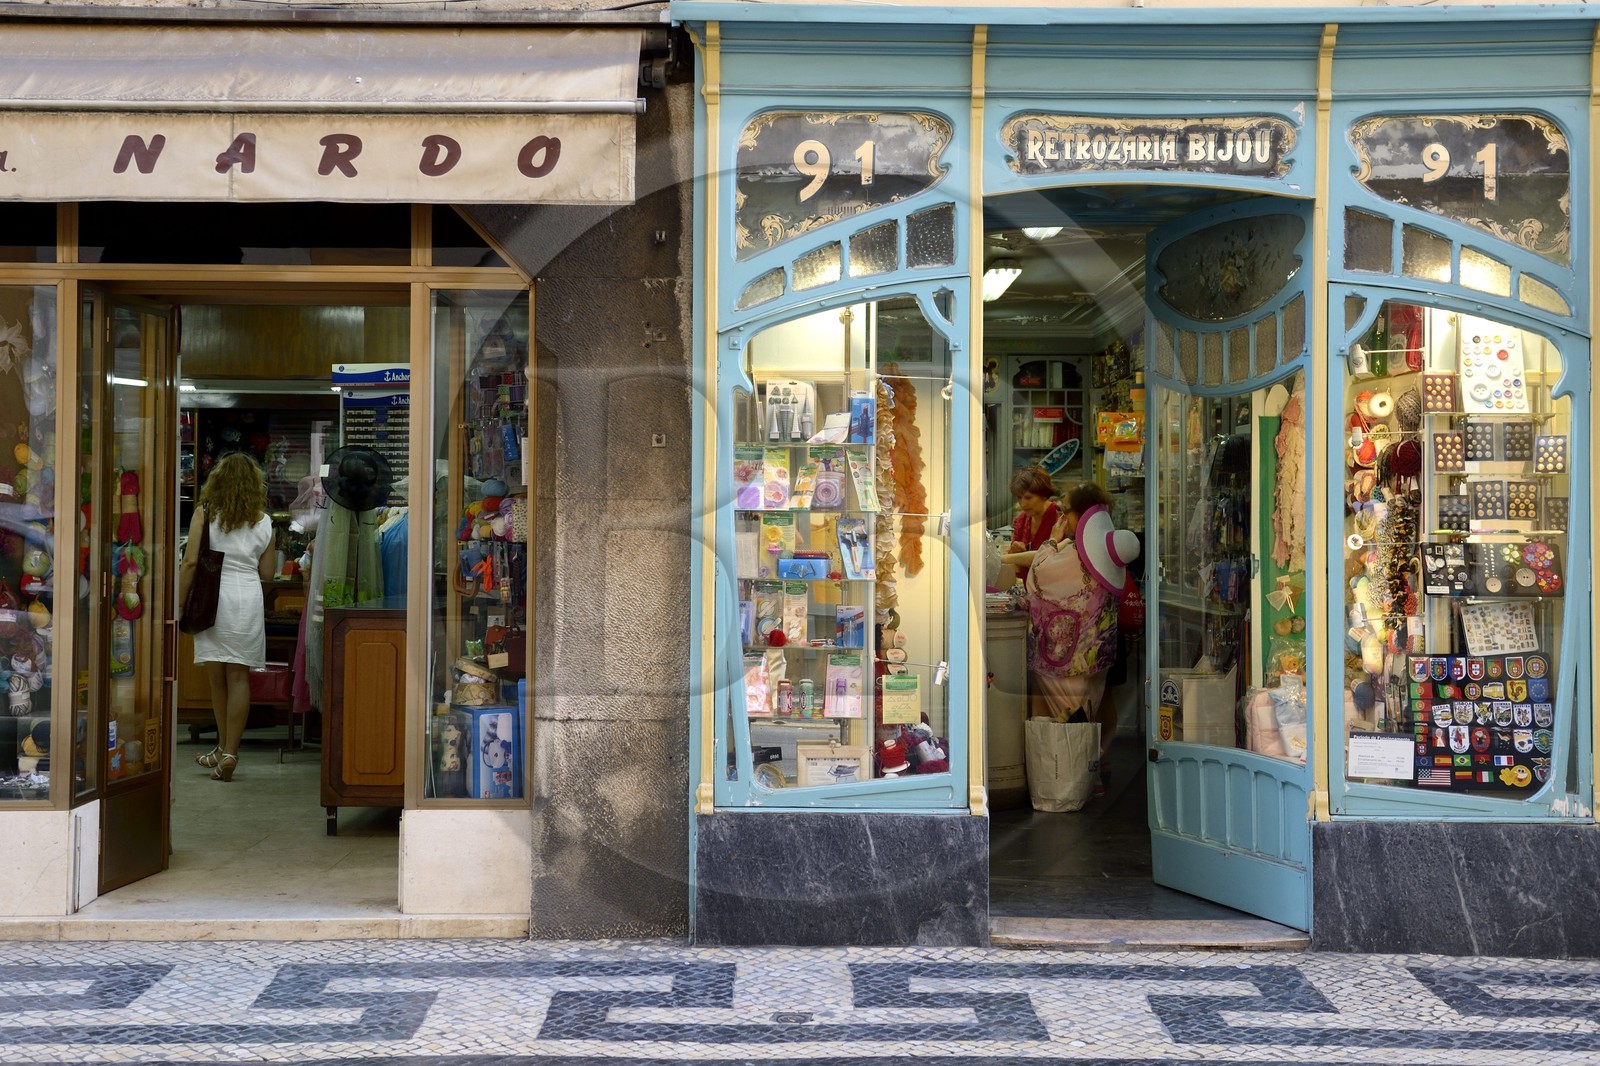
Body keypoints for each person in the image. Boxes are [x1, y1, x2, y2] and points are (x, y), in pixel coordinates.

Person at [1024, 482, 1140, 793]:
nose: (1061, 516)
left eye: (1064, 511)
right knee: (1089, 709)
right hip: (1096, 653)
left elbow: (1040, 574)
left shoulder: (1075, 555)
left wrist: (1052, 540)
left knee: (1070, 715)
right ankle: (1093, 774)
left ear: (1081, 515)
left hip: (1067, 656)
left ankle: (1069, 782)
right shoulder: (1104, 552)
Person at [178, 452, 275, 782]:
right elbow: (268, 573)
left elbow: (190, 563)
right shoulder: (264, 522)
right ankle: (228, 751)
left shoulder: (205, 513)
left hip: (211, 600)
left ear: (217, 480)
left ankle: (222, 747)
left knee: (216, 677)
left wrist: (178, 605)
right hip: (246, 598)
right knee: (239, 678)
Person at [1006, 466, 1059, 581]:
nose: (1023, 504)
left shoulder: (1059, 518)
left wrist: (1007, 558)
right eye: (1019, 498)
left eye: (1028, 498)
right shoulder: (1022, 519)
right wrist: (1015, 551)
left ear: (1044, 495)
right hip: (1031, 591)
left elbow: (1055, 560)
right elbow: (1017, 569)